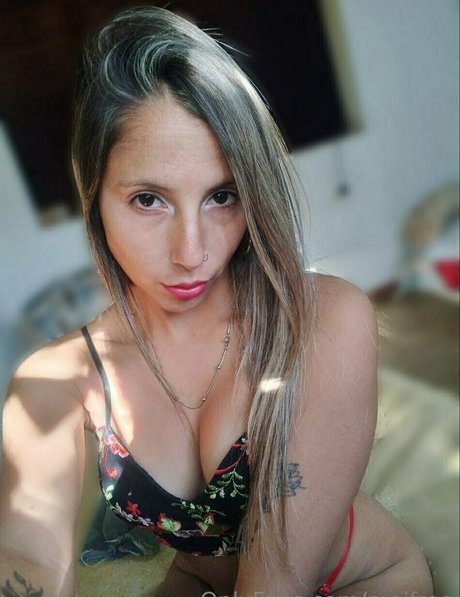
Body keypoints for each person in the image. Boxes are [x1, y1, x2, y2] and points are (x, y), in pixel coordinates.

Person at [0, 7, 434, 596]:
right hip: (201, 578)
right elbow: (24, 555)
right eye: (149, 199)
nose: (193, 253)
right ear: (94, 196)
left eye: (222, 196)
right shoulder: (52, 381)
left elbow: (275, 580)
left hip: (364, 580)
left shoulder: (325, 320)